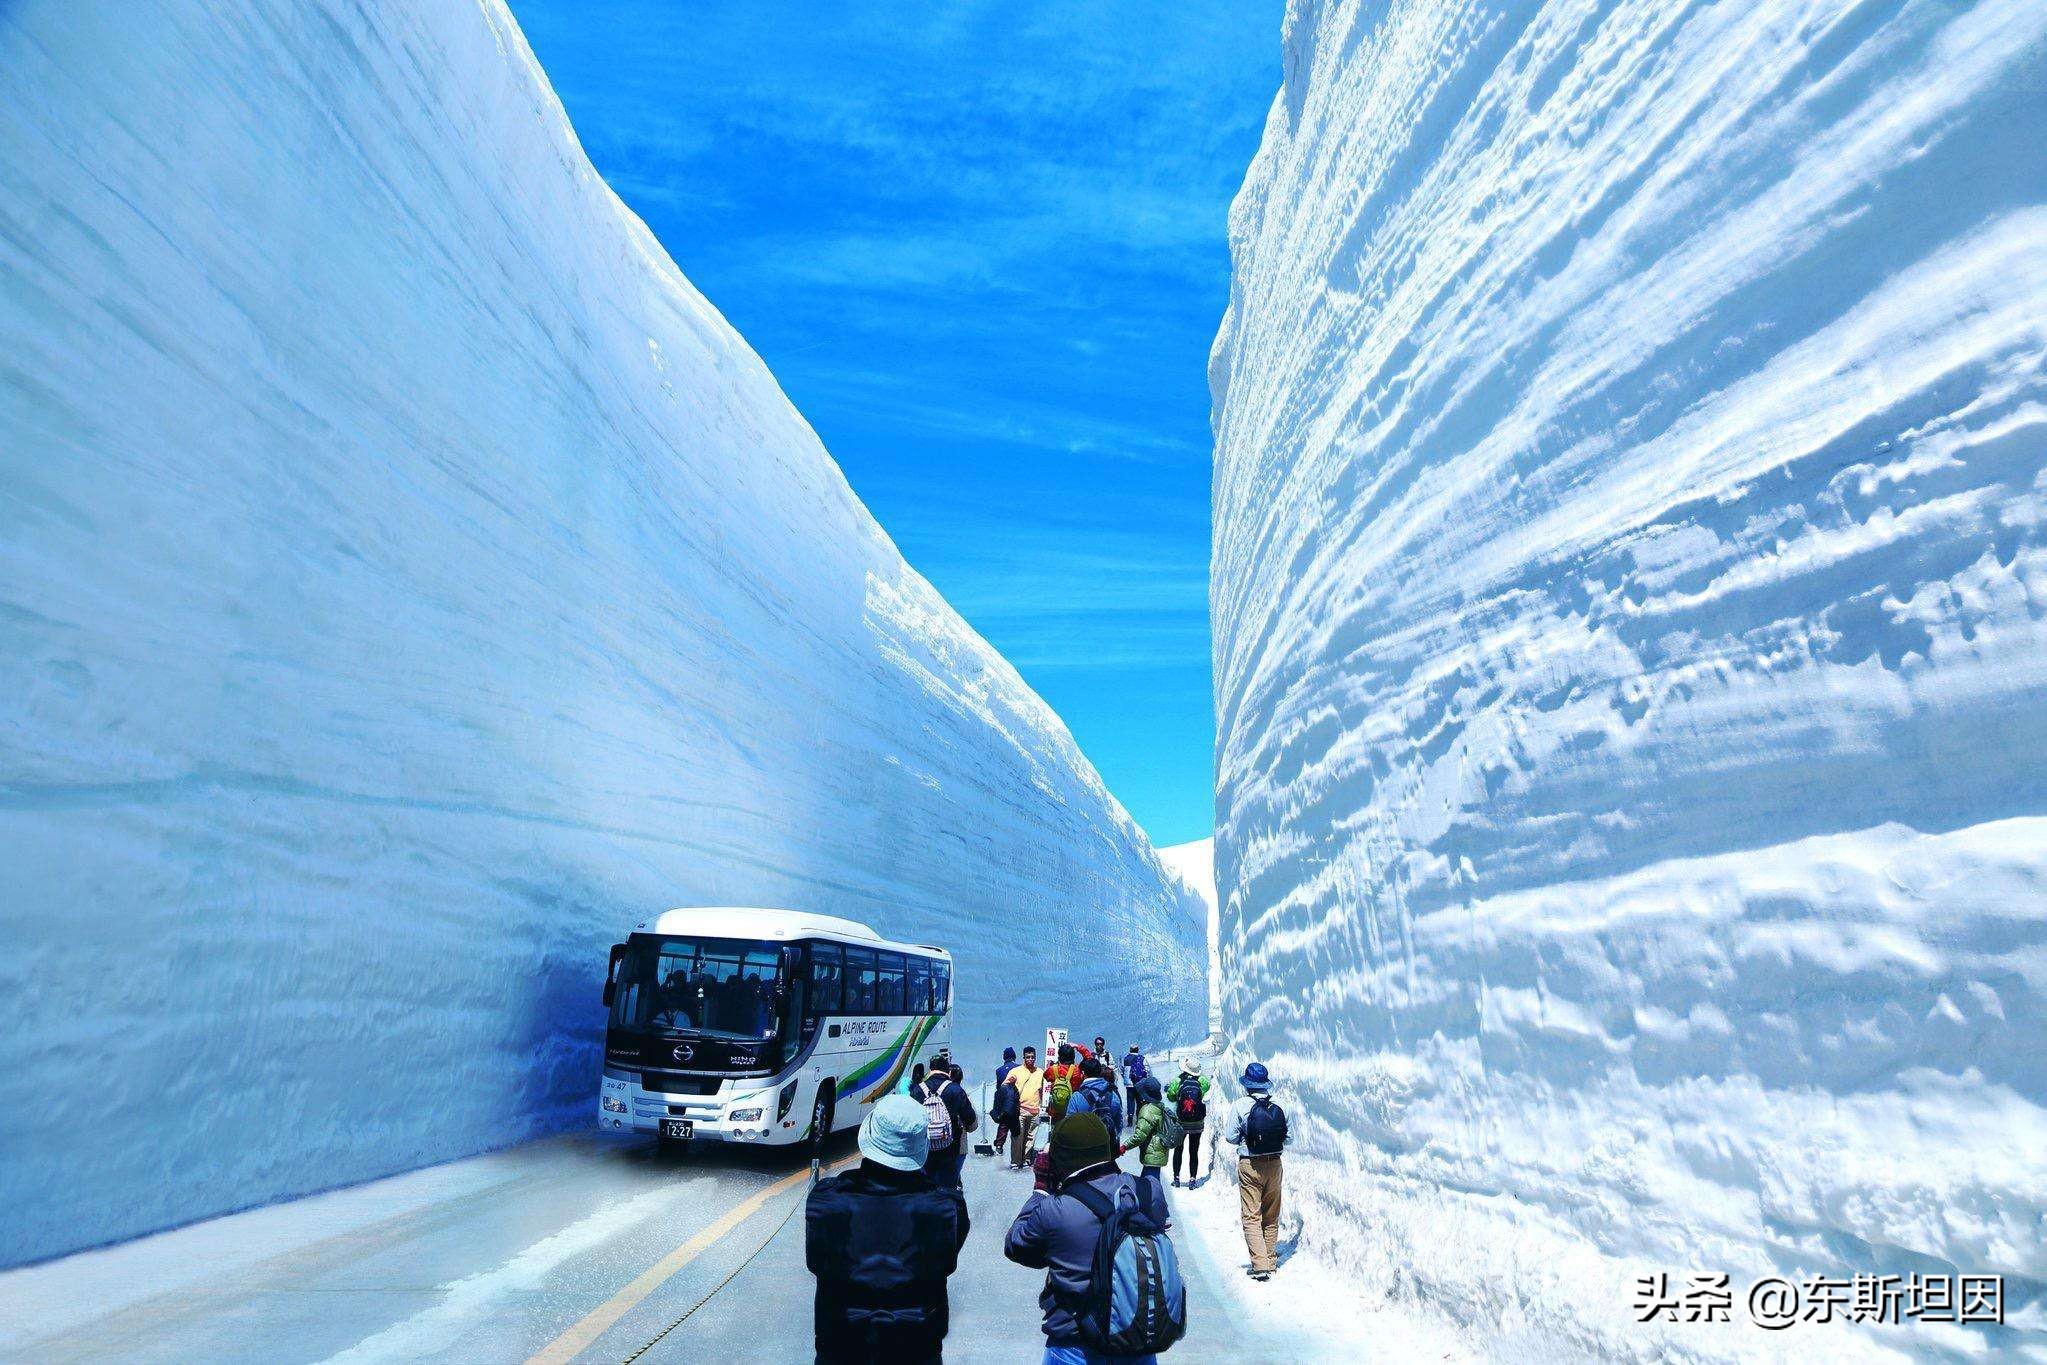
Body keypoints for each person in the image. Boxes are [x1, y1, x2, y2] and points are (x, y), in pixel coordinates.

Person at [806, 1093, 970, 1363]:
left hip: (841, 1347)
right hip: (917, 1349)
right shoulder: (947, 1206)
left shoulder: (826, 1200)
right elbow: (945, 1258)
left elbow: (816, 1262)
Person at [1004, 1113, 1174, 1363]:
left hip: (1075, 1341)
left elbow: (1017, 1246)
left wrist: (1041, 1187)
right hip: (1136, 1338)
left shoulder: (1055, 1210)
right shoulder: (1148, 1191)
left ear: (1059, 1160)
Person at [1225, 1061, 1289, 1280]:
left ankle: (1260, 1265)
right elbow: (1289, 1138)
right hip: (1275, 1163)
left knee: (1251, 1215)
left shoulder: (1240, 1105)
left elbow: (1231, 1137)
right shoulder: (1281, 1104)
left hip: (1250, 1164)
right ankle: (1270, 1261)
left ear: (1247, 1084)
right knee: (1271, 1214)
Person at [918, 1054, 976, 1189]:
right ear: (947, 1071)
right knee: (947, 1191)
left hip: (923, 1152)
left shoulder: (917, 1090)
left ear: (930, 1069)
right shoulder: (956, 1090)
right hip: (950, 1151)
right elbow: (971, 1122)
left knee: (926, 1189)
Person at [1127, 1075, 1171, 1213]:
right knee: (1150, 1183)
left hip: (1152, 1152)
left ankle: (1162, 1213)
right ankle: (1152, 1210)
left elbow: (1140, 1135)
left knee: (1151, 1185)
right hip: (1159, 1151)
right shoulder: (1160, 1106)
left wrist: (1124, 1146)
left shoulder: (1147, 1110)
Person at [1163, 1061, 1210, 1187]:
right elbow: (1205, 1093)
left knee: (1178, 1150)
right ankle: (1192, 1179)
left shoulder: (1178, 1080)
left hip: (1181, 1121)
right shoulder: (1203, 1081)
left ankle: (1177, 1178)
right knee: (1194, 1151)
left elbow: (1171, 1097)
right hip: (1197, 1122)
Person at [1008, 1046, 1044, 1169]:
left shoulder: (1040, 1072)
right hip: (1020, 1109)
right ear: (1023, 1057)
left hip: (1034, 1109)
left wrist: (1041, 1105)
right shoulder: (1016, 1071)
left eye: (1032, 1057)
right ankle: (1015, 1161)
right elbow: (1004, 1087)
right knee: (1017, 1136)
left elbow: (1041, 1090)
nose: (1030, 1059)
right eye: (1028, 1057)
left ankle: (1027, 1159)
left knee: (1030, 1137)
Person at [1068, 1059, 1123, 1137]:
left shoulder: (1076, 1096)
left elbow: (1069, 1125)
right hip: (1106, 1145)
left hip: (1083, 1144)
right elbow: (1119, 1123)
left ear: (1083, 1073)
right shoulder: (1113, 1094)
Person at [992, 1047, 1021, 1156]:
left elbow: (999, 1087)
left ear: (1004, 1057)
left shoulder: (999, 1070)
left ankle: (999, 1145)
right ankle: (1017, 1149)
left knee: (1004, 1122)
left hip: (1004, 1101)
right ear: (1014, 1056)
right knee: (1016, 1123)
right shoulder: (1019, 1068)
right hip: (1016, 1099)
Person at [1044, 1043, 1083, 1123]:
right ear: (1073, 1057)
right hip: (1072, 1107)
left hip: (1055, 1109)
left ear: (1059, 1056)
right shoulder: (1077, 1070)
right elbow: (1090, 1060)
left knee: (1056, 1131)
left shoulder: (1053, 1069)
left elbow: (1046, 1076)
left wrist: (1054, 1065)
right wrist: (1078, 1046)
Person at [1120, 1045, 1147, 1130]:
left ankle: (1130, 1119)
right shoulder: (1142, 1058)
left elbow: (1121, 1070)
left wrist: (1126, 1078)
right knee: (1139, 1101)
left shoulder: (1126, 1059)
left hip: (1129, 1084)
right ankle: (1138, 1120)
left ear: (1130, 1049)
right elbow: (1147, 1070)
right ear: (1138, 1050)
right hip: (1139, 1083)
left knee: (1130, 1101)